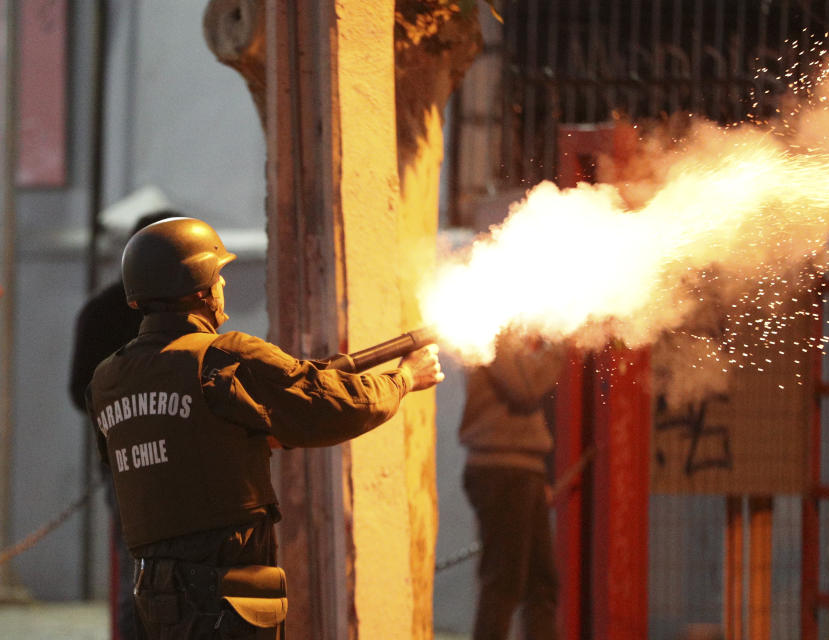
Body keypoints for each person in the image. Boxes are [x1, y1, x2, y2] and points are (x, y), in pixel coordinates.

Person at [85, 217, 444, 639]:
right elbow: (334, 406)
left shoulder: (106, 380)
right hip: (225, 603)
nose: (223, 286)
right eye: (218, 275)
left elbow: (179, 450)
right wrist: (404, 379)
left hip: (157, 605)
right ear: (200, 286)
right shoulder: (224, 358)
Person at [69, 210, 179, 640]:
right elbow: (82, 389)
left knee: (144, 575)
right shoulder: (105, 313)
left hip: (139, 462)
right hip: (132, 465)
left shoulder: (103, 309)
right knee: (140, 577)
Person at [459, 331, 565, 640]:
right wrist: (559, 345)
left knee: (542, 585)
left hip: (522, 470)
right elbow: (526, 388)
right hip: (502, 470)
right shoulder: (491, 329)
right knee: (503, 584)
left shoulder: (513, 332)